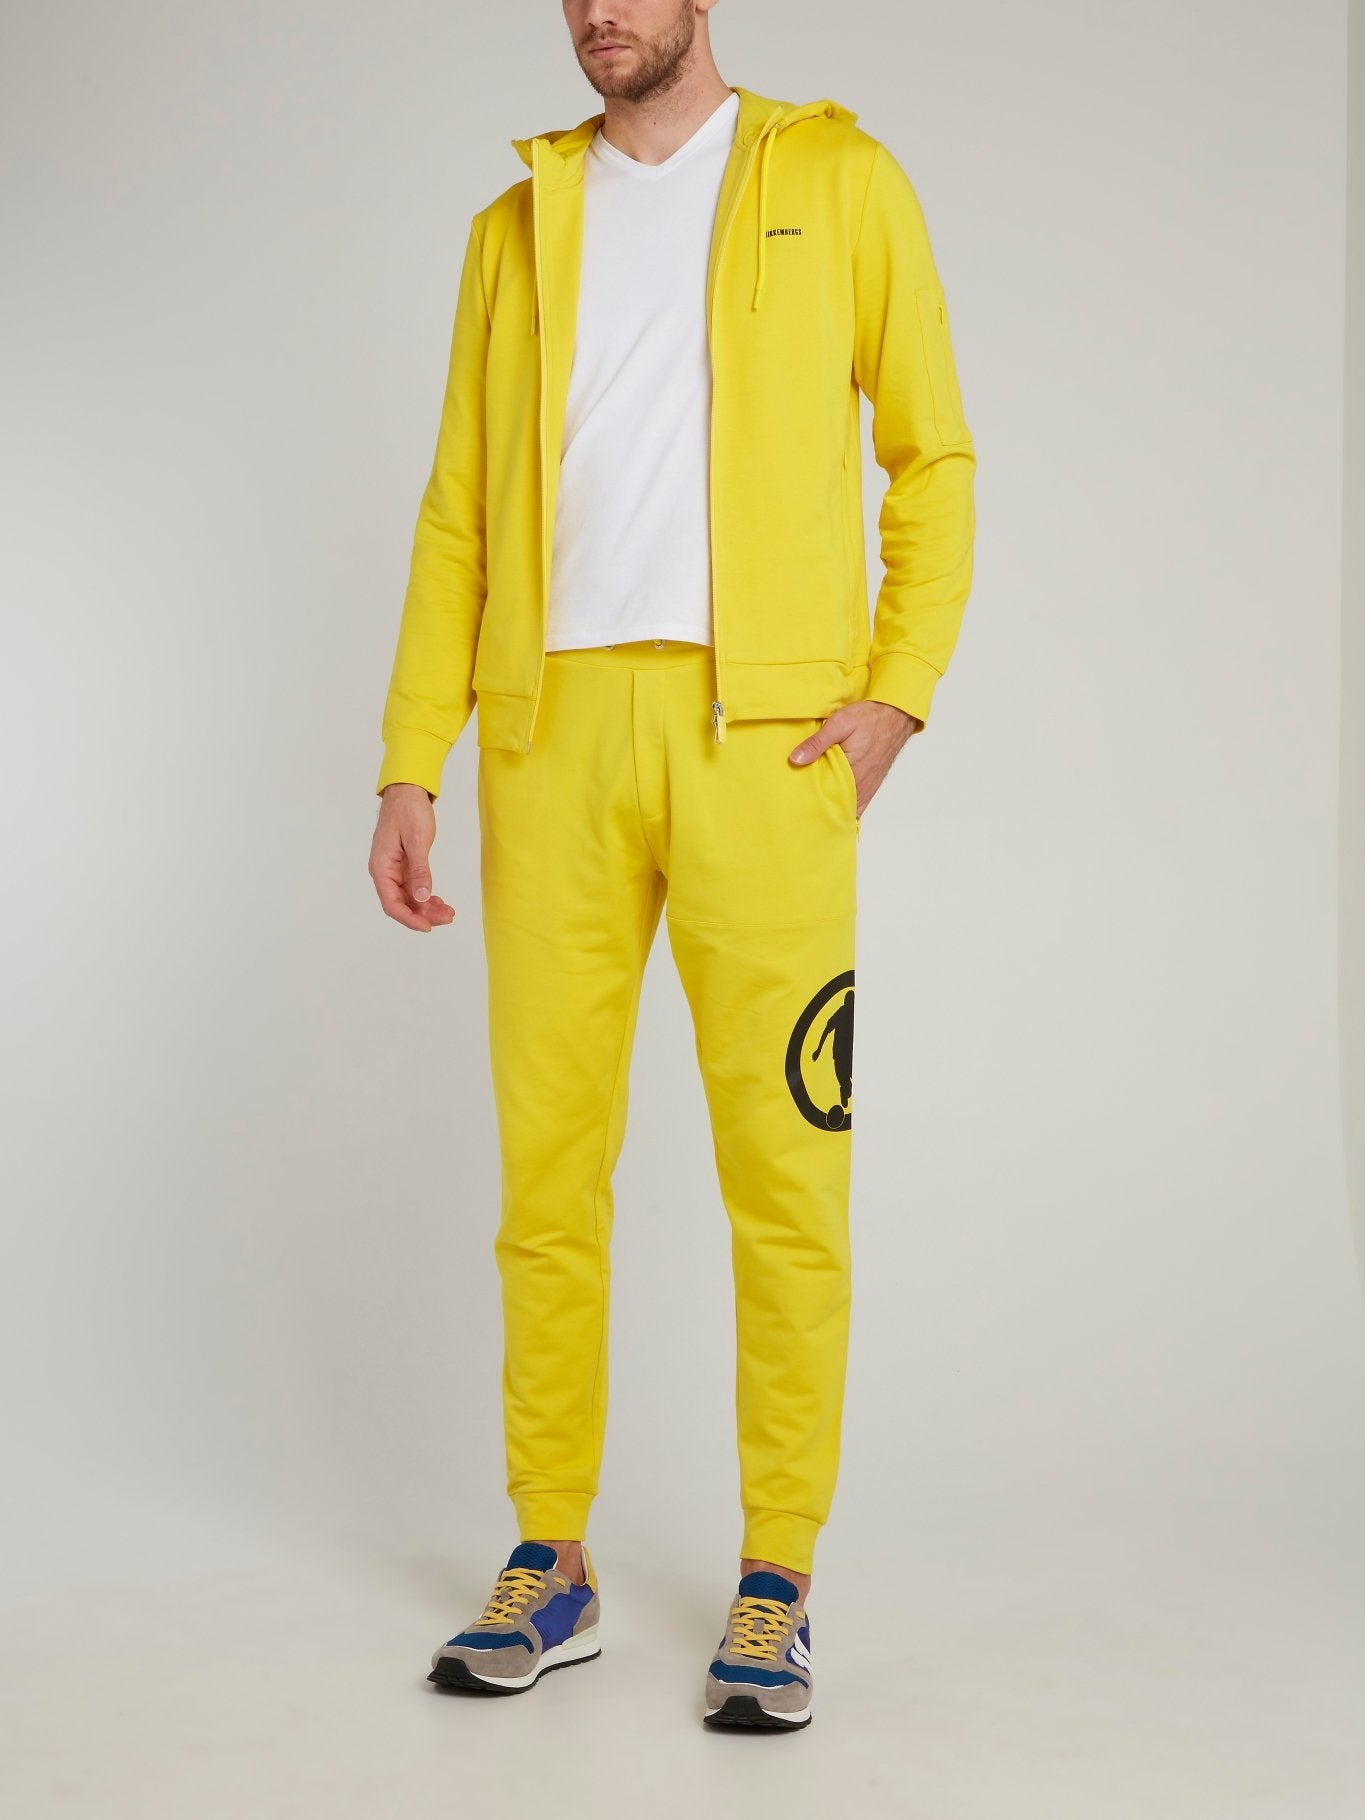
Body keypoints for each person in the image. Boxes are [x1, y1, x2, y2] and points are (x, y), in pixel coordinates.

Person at [367, 0, 975, 1733]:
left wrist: (896, 694)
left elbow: (931, 453)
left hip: (762, 748)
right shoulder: (514, 225)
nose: (595, 13)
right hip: (547, 743)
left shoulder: (837, 178)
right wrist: (412, 755)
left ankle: (776, 1575)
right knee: (547, 1180)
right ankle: (547, 1555)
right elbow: (457, 509)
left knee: (786, 1177)